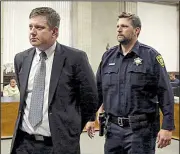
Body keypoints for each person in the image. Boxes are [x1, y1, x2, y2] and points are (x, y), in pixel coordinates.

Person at [10, 7, 98, 154]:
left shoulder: (75, 59)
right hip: (24, 144)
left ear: (54, 32)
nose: (32, 32)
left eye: (39, 27)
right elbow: (24, 94)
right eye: (30, 26)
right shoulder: (21, 59)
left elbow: (90, 99)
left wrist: (71, 129)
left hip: (58, 145)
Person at [86, 12, 175, 154]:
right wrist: (90, 118)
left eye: (124, 26)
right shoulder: (108, 56)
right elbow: (98, 90)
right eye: (117, 26)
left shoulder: (151, 56)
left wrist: (167, 127)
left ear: (136, 30)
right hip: (113, 130)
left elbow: (165, 92)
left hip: (141, 131)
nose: (119, 29)